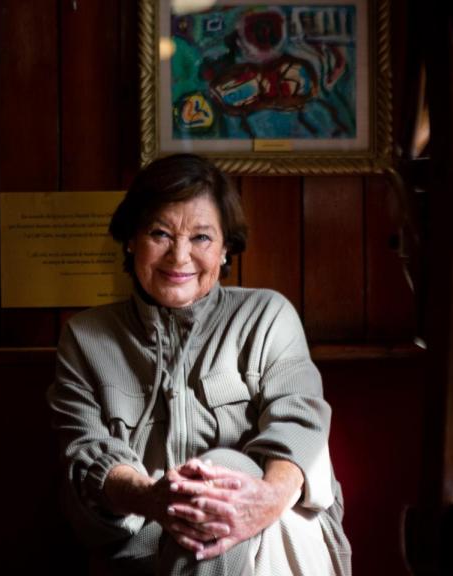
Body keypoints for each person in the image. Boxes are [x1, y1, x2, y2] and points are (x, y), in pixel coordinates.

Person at [47, 154, 350, 575]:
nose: (179, 256)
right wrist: (156, 498)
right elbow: (85, 453)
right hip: (141, 553)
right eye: (160, 233)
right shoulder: (85, 337)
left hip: (275, 542)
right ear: (132, 239)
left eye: (202, 238)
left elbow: (299, 421)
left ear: (226, 248)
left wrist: (261, 499)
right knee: (205, 499)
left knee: (221, 477)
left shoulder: (267, 316)